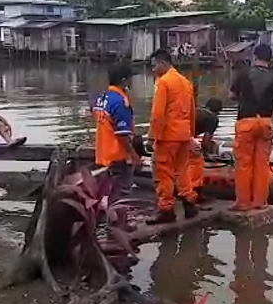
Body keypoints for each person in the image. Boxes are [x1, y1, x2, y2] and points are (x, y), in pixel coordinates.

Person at [229, 44, 273, 211]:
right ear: (271, 59)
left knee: (244, 165)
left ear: (254, 56)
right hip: (265, 124)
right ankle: (260, 202)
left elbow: (231, 96)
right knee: (262, 165)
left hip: (246, 123)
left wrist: (244, 98)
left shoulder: (244, 74)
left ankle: (243, 203)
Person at [149, 49, 198, 223]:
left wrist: (151, 136)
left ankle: (166, 210)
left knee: (164, 173)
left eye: (154, 65)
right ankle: (189, 203)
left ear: (163, 63)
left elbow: (157, 113)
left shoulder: (163, 82)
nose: (153, 69)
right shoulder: (185, 82)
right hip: (183, 134)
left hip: (167, 136)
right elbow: (192, 111)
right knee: (183, 170)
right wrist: (190, 134)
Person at [92, 63, 141, 202]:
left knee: (106, 192)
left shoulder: (101, 99)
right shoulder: (120, 102)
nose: (132, 81)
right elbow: (122, 135)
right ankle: (118, 221)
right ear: (124, 80)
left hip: (102, 155)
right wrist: (134, 156)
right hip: (118, 158)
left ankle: (107, 220)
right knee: (121, 196)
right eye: (130, 78)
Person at [189, 97, 223, 204]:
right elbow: (206, 139)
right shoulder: (213, 118)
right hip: (185, 138)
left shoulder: (197, 111)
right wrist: (207, 154)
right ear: (218, 111)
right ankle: (196, 194)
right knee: (197, 163)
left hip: (178, 135)